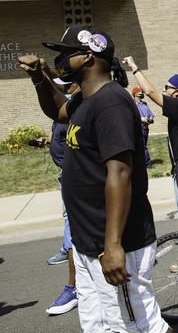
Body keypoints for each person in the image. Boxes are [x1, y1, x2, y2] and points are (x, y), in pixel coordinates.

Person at [19, 25, 168, 333]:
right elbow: (59, 109)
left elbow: (121, 172)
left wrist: (113, 245)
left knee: (139, 326)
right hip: (89, 241)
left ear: (88, 57)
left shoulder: (111, 102)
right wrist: (39, 77)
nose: (59, 61)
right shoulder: (86, 99)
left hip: (114, 242)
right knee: (99, 324)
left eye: (65, 55)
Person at [122, 58, 178, 268]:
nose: (164, 90)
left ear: (177, 92)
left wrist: (135, 68)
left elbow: (150, 92)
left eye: (167, 88)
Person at [45, 82, 80, 317]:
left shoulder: (83, 106)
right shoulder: (70, 107)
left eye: (66, 84)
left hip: (78, 181)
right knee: (70, 227)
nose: (63, 88)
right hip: (67, 177)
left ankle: (73, 288)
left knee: (73, 232)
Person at [132, 86, 154, 168]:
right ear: (135, 94)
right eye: (140, 92)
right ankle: (147, 164)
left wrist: (150, 118)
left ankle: (143, 163)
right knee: (142, 146)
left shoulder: (144, 104)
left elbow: (151, 114)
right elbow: (131, 116)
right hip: (138, 127)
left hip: (145, 128)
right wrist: (140, 119)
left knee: (143, 145)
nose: (142, 93)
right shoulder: (132, 104)